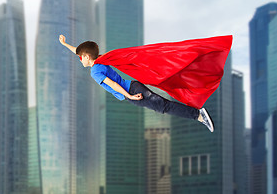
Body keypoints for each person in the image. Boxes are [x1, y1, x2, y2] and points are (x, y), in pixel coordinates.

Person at [58, 34, 233, 132]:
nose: (80, 59)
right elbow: (80, 52)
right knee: (163, 106)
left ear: (88, 57)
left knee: (163, 107)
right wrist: (65, 44)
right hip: (134, 86)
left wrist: (129, 96)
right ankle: (197, 114)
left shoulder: (95, 71)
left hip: (132, 91)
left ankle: (198, 115)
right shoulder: (101, 59)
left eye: (82, 58)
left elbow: (112, 84)